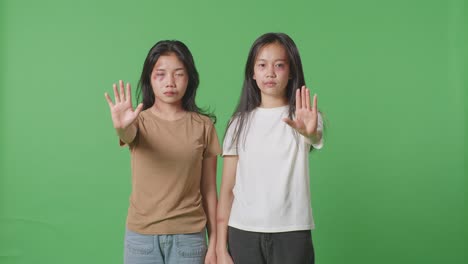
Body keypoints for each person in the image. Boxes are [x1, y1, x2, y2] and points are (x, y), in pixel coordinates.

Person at [104, 40, 220, 264]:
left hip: (189, 240)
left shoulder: (203, 125)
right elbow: (127, 135)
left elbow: (208, 189)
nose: (170, 82)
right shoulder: (138, 122)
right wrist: (121, 127)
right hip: (142, 241)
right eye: (160, 74)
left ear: (190, 78)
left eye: (179, 74)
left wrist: (214, 240)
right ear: (149, 78)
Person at [216, 33, 324, 264]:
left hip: (292, 232)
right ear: (252, 73)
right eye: (262, 65)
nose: (270, 72)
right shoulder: (238, 123)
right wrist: (220, 248)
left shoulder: (304, 118)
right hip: (243, 232)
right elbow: (227, 190)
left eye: (280, 65)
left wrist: (309, 132)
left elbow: (314, 135)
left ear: (291, 71)